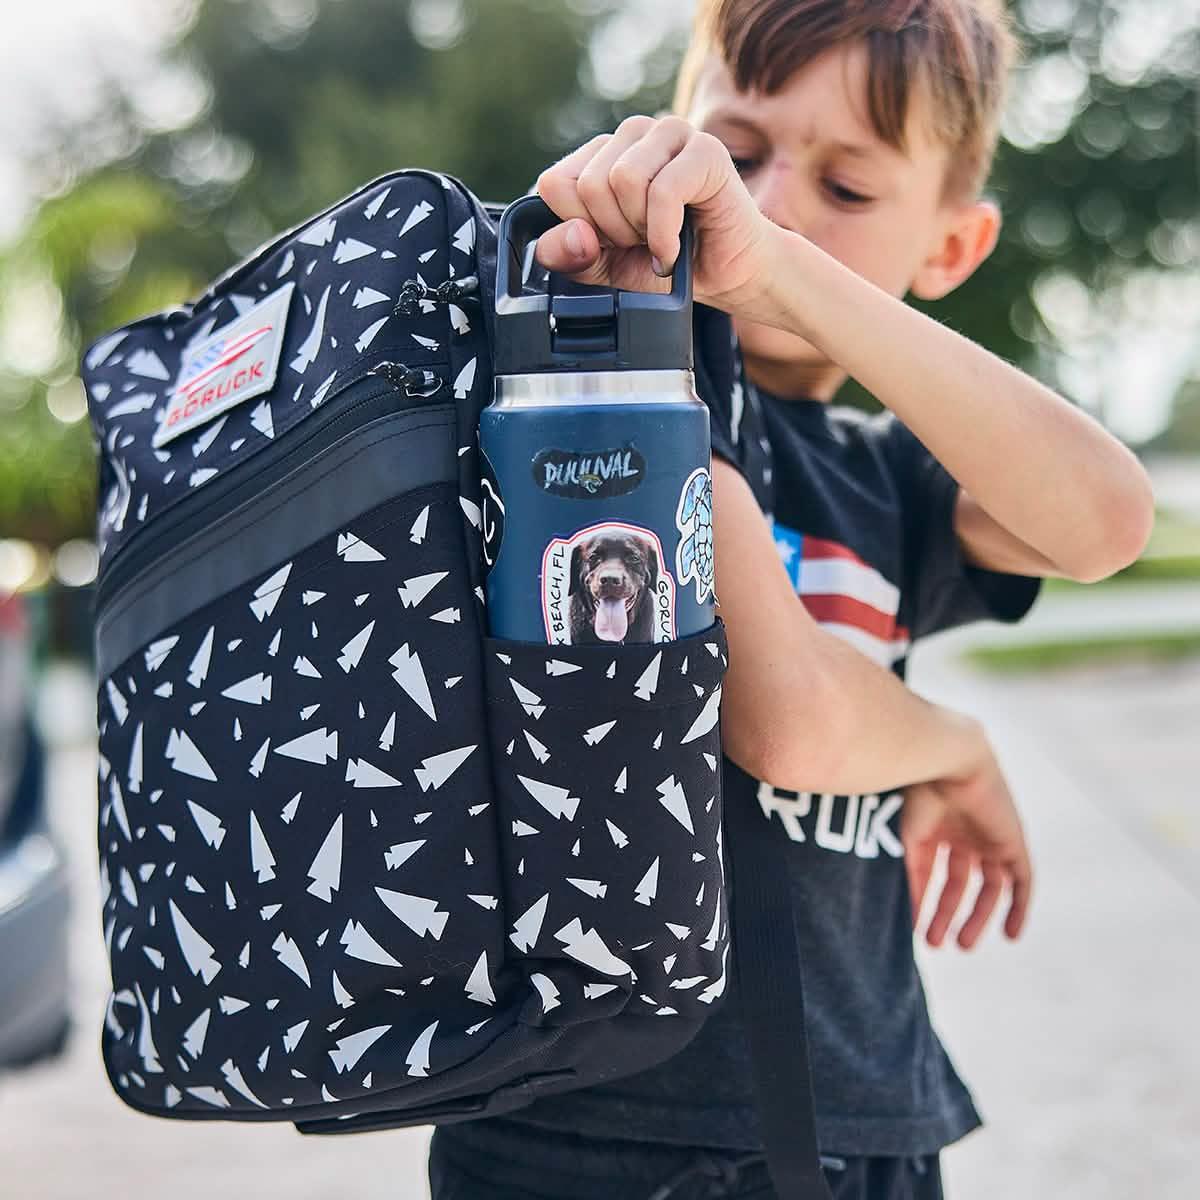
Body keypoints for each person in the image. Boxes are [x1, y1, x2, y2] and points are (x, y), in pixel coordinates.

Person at [427, 1, 1155, 1196]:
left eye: (849, 190)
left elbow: (1103, 522)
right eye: (740, 150)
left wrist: (798, 284)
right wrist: (952, 748)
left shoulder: (891, 474)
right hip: (606, 1136)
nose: (768, 207)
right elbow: (794, 720)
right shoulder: (630, 394)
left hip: (861, 1113)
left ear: (951, 249)